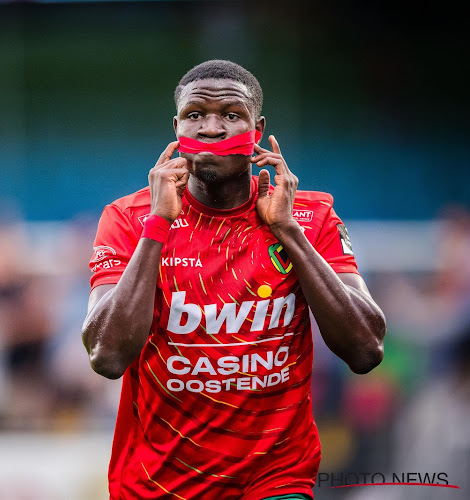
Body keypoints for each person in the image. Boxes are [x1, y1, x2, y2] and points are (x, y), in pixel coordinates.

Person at [82, 60, 386, 500]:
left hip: (276, 477)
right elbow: (106, 356)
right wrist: (158, 224)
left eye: (231, 114)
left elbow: (367, 349)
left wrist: (288, 233)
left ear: (256, 129)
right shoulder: (129, 219)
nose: (211, 127)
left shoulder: (310, 216)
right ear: (177, 127)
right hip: (157, 482)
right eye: (195, 115)